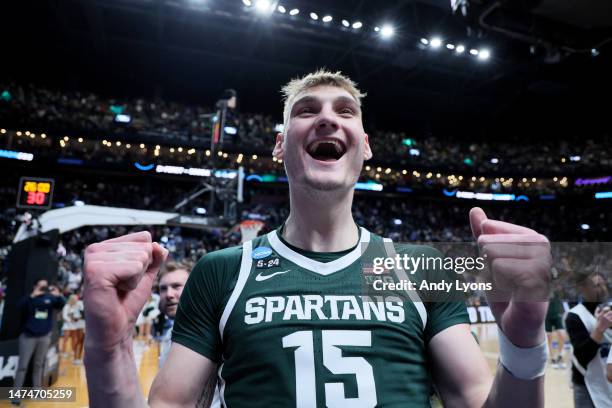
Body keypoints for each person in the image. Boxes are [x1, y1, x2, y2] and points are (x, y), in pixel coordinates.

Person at [83, 70, 552, 407]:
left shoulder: (420, 267)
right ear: (280, 144)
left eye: (344, 111)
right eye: (307, 112)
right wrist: (108, 351)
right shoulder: (222, 270)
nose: (327, 119)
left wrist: (524, 341)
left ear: (365, 145)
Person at [565, 272, 612, 407]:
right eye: (596, 285)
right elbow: (582, 355)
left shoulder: (609, 310)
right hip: (586, 384)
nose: (602, 289)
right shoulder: (574, 316)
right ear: (583, 289)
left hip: (608, 380)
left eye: (603, 285)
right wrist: (599, 329)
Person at [14, 279, 65, 389]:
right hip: (28, 336)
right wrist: (32, 295)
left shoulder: (50, 298)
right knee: (22, 366)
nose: (43, 288)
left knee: (39, 365)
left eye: (45, 286)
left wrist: (58, 295)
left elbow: (61, 304)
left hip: (44, 337)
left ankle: (37, 391)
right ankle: (15, 395)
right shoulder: (30, 298)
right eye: (41, 286)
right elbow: (18, 307)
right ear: (35, 286)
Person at [155, 261, 191, 367]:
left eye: (176, 286)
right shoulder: (170, 333)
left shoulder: (212, 337)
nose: (168, 295)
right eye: (163, 289)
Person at [545, 285, 567, 369]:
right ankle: (553, 358)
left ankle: (560, 356)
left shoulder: (558, 285)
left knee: (562, 336)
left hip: (558, 313)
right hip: (547, 314)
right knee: (549, 337)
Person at [62, 294, 85, 364]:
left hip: (76, 325)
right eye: (74, 299)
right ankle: (65, 352)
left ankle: (74, 352)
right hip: (69, 325)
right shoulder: (67, 306)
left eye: (76, 299)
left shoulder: (79, 304)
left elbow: (81, 314)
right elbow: (65, 316)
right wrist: (71, 320)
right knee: (66, 339)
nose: (76, 300)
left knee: (76, 340)